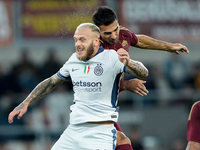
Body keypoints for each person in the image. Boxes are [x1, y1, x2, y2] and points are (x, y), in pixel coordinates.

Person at [8, 23, 148, 150]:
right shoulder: (74, 59)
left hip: (99, 131)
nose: (78, 44)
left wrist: (129, 63)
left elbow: (143, 72)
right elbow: (51, 82)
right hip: (74, 130)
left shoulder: (111, 57)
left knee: (122, 140)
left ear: (96, 41)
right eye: (76, 39)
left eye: (82, 39)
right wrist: (26, 102)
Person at [92, 5, 190, 150]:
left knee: (123, 143)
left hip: (107, 108)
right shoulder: (94, 51)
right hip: (93, 110)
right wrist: (126, 85)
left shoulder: (123, 35)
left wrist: (168, 46)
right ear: (97, 32)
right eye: (107, 33)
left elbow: (138, 40)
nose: (113, 36)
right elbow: (93, 86)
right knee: (122, 143)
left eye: (116, 29)